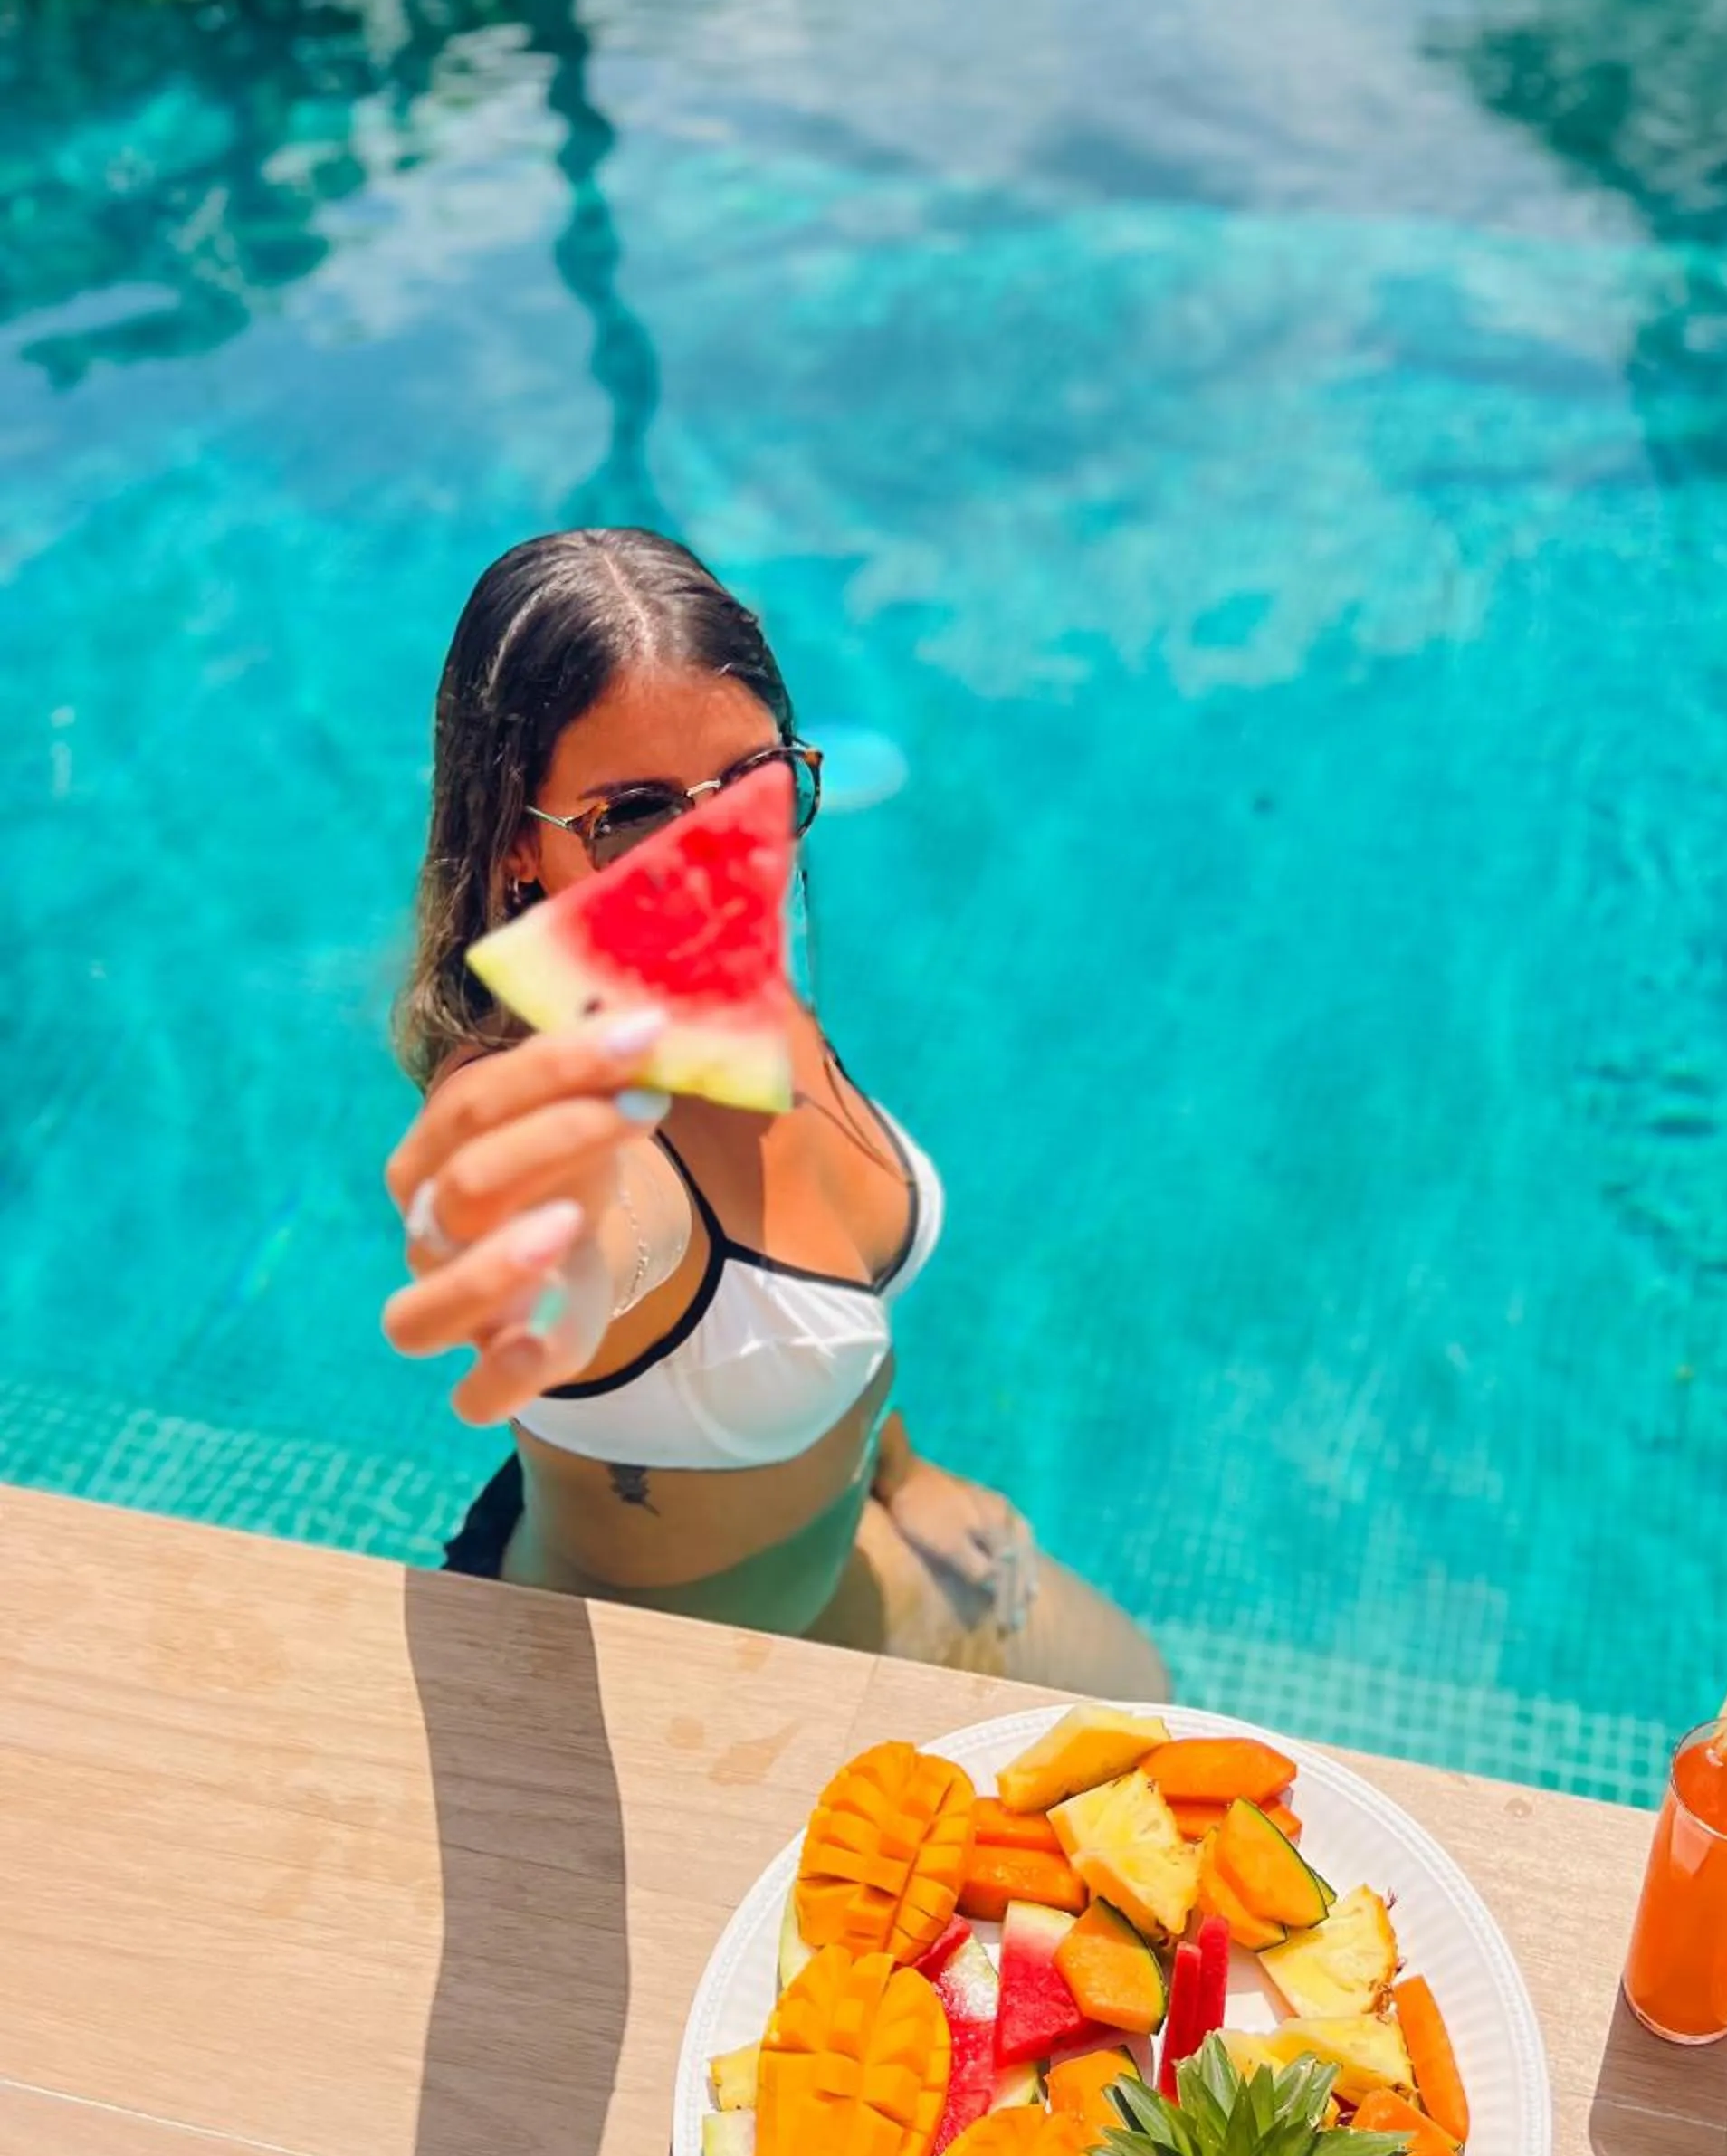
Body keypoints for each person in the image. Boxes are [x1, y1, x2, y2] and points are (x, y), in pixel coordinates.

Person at [381, 528, 1169, 1695]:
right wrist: (530, 1249)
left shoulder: (746, 988)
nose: (719, 863)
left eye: (751, 787)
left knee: (1152, 1697)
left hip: (844, 1558)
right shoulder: (566, 1099)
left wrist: (903, 1473)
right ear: (514, 850)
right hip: (649, 1689)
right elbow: (595, 1227)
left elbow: (827, 1307)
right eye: (632, 816)